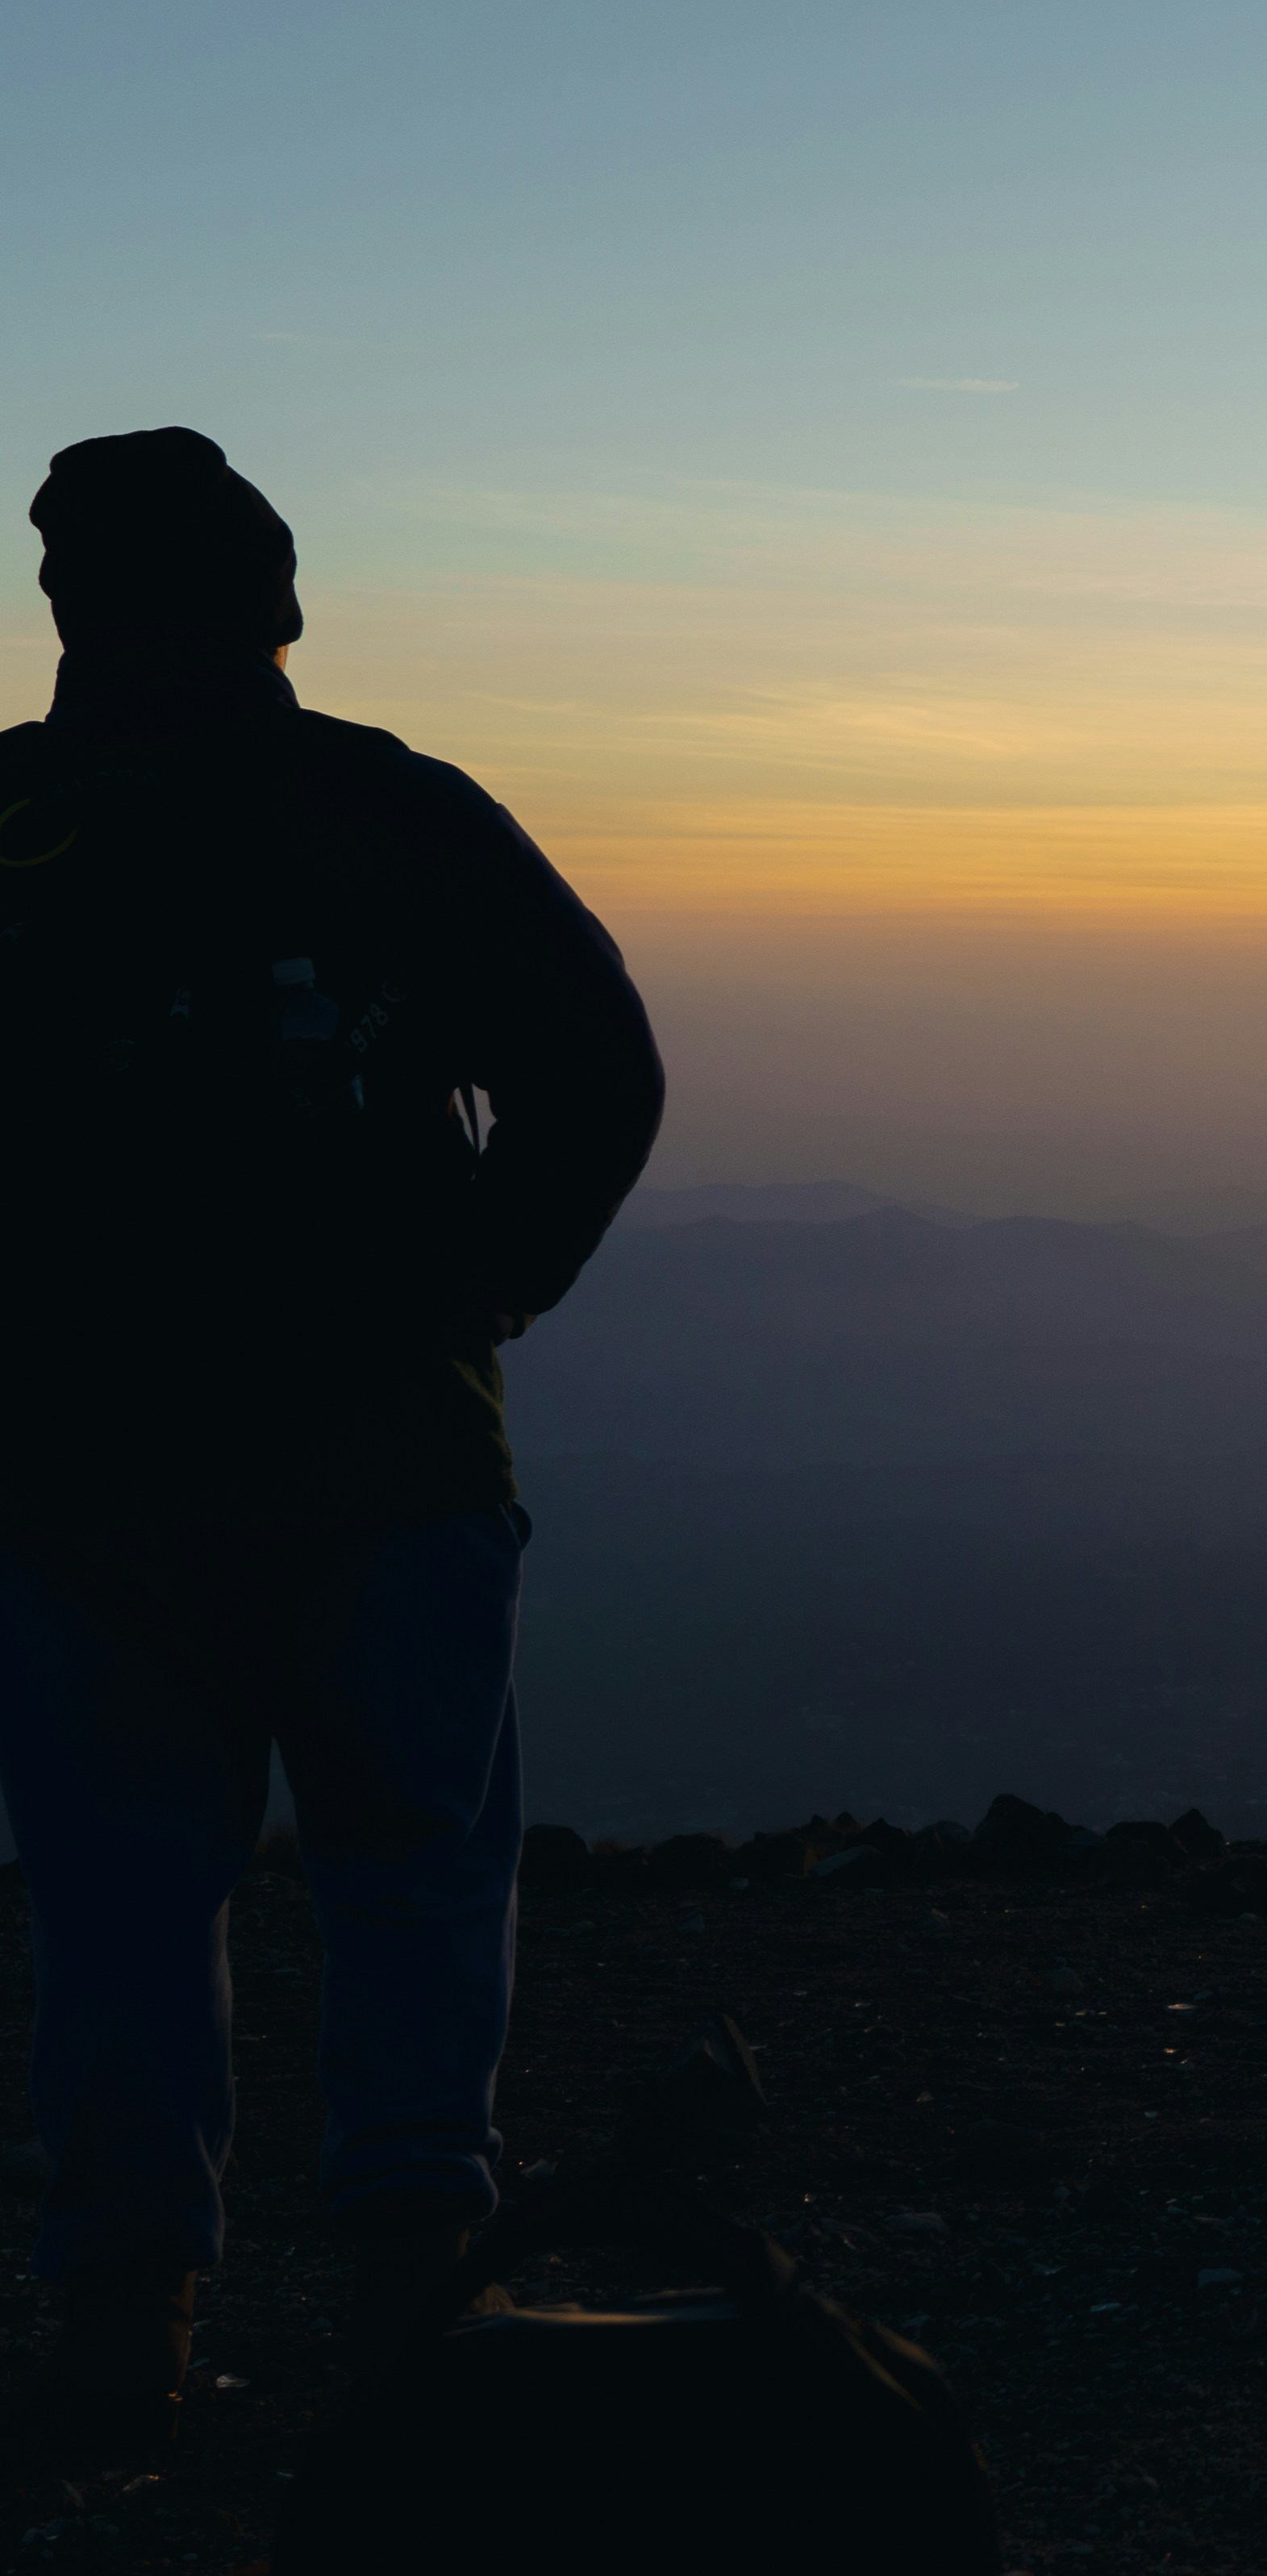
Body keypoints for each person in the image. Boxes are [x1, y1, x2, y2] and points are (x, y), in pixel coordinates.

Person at [0, 433, 665, 2474]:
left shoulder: (15, 826)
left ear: (66, 606)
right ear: (277, 598)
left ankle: (128, 2332)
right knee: (410, 1878)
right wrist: (485, 1283)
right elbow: (598, 1067)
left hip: (77, 1479)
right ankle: (413, 2308)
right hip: (388, 1457)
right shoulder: (389, 816)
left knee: (118, 1896)